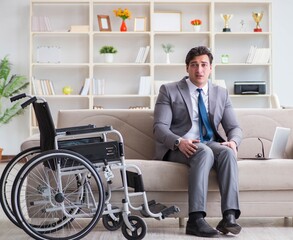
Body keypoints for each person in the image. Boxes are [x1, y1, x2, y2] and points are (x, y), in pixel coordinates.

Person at [153, 46, 242, 238]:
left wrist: (234, 142)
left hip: (208, 143)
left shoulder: (221, 93)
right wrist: (178, 141)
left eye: (204, 65)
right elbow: (159, 128)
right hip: (177, 147)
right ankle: (195, 220)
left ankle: (229, 216)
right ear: (187, 68)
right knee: (203, 151)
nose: (199, 70)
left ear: (211, 68)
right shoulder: (169, 90)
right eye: (194, 65)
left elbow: (234, 128)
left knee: (226, 152)